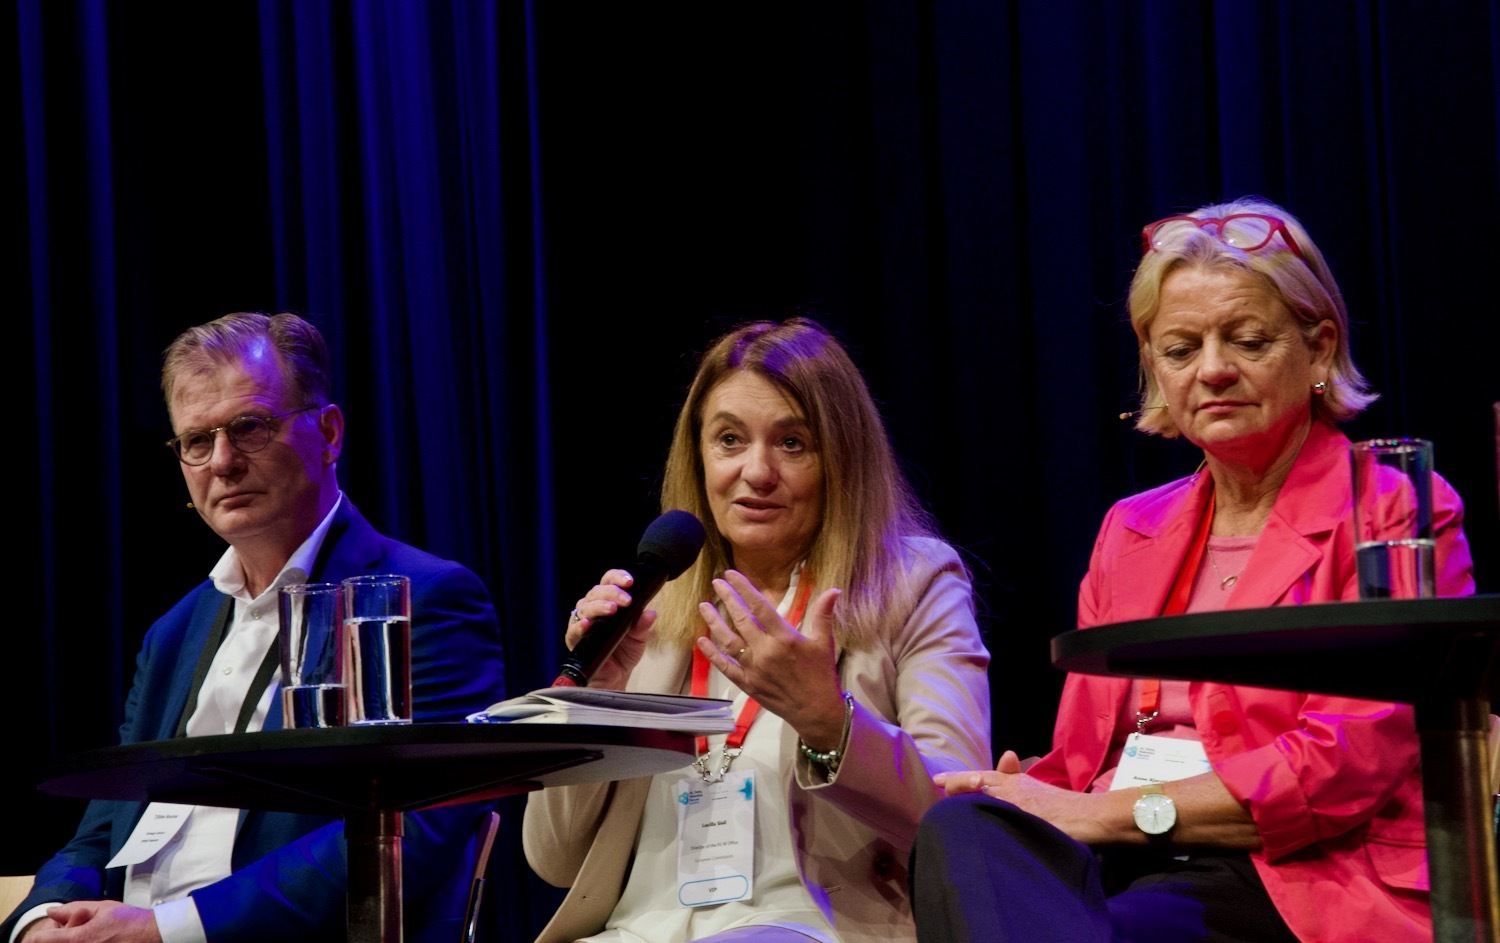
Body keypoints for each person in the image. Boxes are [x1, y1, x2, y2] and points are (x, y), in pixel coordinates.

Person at [909, 197, 1476, 943]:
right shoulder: (1130, 528)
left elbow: (1348, 762)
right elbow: (1085, 759)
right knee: (963, 826)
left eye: (1247, 340)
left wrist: (1106, 813)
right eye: (1180, 350)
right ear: (1154, 367)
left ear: (1319, 349)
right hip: (1123, 860)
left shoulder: (1393, 510)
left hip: (1293, 872)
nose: (1213, 370)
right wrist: (1028, 790)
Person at [4, 312, 507, 943]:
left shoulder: (422, 598)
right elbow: (104, 827)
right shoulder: (173, 632)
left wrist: (168, 930)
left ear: (328, 433)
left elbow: (415, 829)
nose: (222, 462)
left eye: (249, 427)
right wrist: (40, 919)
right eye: (196, 440)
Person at [522, 317, 992, 943]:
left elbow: (958, 821)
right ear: (699, 455)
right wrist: (593, 700)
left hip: (812, 927)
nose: (757, 471)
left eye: (792, 443)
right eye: (729, 440)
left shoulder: (913, 585)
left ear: (842, 459)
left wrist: (829, 721)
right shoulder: (654, 611)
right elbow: (553, 859)